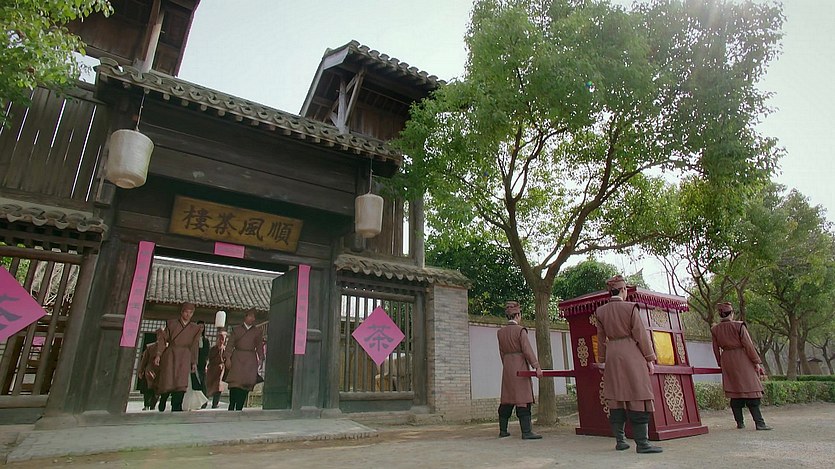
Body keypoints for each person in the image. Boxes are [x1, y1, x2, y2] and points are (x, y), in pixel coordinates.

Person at [595, 275, 662, 454]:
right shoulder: (630, 308)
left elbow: (601, 339)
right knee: (638, 395)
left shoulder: (600, 312)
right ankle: (642, 443)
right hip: (631, 354)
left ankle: (620, 441)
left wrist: (602, 361)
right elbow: (641, 335)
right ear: (623, 290)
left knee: (616, 396)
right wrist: (649, 358)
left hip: (612, 355)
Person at [711, 302, 772, 430]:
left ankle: (740, 422)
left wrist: (720, 363)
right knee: (751, 390)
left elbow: (715, 349)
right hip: (742, 358)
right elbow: (748, 345)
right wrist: (756, 361)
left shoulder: (715, 329)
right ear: (732, 313)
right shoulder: (739, 326)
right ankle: (759, 423)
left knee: (734, 392)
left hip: (727, 359)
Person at [497, 300, 543, 440]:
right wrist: (536, 366)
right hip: (520, 366)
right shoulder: (520, 330)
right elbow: (527, 350)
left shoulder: (501, 332)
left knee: (507, 399)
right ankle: (526, 432)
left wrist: (507, 365)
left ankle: (503, 430)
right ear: (517, 315)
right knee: (523, 398)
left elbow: (501, 353)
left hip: (507, 367)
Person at [154, 302, 203, 412]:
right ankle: (163, 398)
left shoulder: (195, 328)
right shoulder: (172, 324)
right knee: (168, 380)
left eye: (190, 313)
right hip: (171, 354)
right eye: (186, 312)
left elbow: (194, 346)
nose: (188, 315)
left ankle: (176, 406)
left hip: (185, 355)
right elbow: (163, 339)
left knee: (181, 383)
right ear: (182, 312)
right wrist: (159, 354)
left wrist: (194, 362)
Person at [225, 308, 265, 411]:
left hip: (250, 359)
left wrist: (261, 358)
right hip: (237, 357)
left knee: (246, 383)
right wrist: (228, 358)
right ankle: (231, 405)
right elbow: (230, 344)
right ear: (245, 317)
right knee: (234, 383)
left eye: (254, 317)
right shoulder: (236, 330)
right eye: (250, 316)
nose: (252, 319)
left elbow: (259, 346)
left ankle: (239, 407)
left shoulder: (257, 332)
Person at [137, 332, 161, 411]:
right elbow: (144, 359)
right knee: (148, 388)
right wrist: (141, 370)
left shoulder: (167, 347)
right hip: (150, 369)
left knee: (157, 389)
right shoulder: (150, 347)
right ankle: (147, 404)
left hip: (161, 371)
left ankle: (152, 405)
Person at [206, 330, 228, 409]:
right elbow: (209, 358)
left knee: (218, 386)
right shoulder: (213, 349)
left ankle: (215, 403)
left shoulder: (225, 349)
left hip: (220, 369)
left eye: (222, 339)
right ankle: (204, 402)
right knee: (209, 385)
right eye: (219, 339)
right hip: (212, 369)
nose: (221, 341)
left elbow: (226, 359)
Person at [196, 321, 210, 408]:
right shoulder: (192, 338)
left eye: (202, 327)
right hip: (193, 362)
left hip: (202, 363)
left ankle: (204, 402)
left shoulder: (206, 340)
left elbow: (207, 353)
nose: (200, 329)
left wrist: (206, 364)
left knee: (203, 383)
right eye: (199, 327)